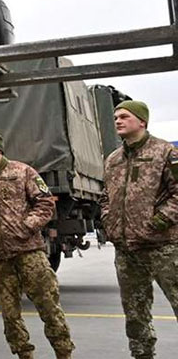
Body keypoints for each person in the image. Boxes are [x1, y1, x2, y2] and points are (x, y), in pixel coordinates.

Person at [0, 131, 74, 359]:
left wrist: (26, 226)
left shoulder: (22, 171)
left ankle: (63, 353)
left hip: (29, 253)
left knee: (48, 306)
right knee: (9, 314)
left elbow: (45, 203)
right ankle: (24, 354)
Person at [99, 100, 178, 359]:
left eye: (124, 116)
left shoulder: (165, 152)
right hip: (127, 250)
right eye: (115, 117)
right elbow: (105, 196)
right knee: (135, 314)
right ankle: (142, 355)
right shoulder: (113, 159)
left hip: (163, 247)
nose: (118, 121)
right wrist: (109, 220)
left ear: (142, 121)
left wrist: (159, 221)